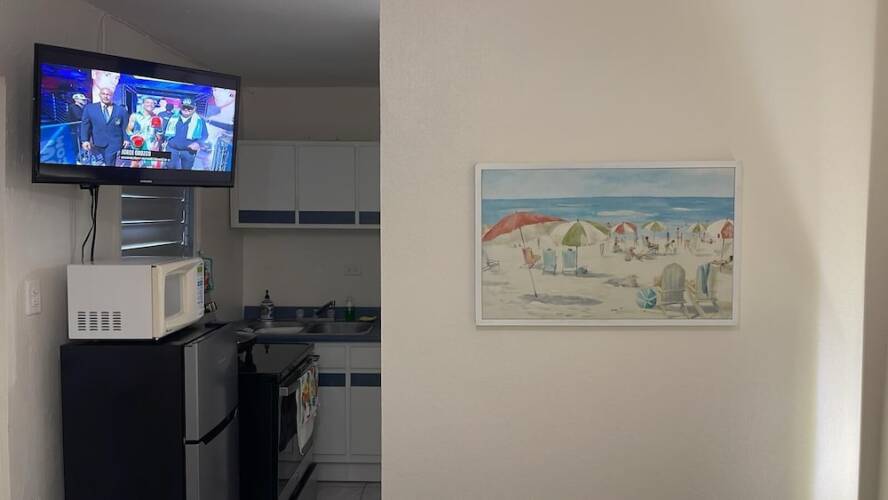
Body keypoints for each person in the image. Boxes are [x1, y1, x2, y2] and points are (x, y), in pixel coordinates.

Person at [80, 87, 129, 166]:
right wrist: (85, 140)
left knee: (109, 161)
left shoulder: (121, 110)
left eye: (108, 94)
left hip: (115, 142)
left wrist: (126, 139)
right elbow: (85, 125)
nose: (106, 96)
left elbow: (125, 126)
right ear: (100, 95)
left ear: (112, 96)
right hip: (97, 142)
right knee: (101, 162)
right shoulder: (90, 108)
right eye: (103, 94)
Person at [163, 98, 208, 170]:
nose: (186, 109)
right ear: (181, 107)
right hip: (172, 149)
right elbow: (165, 130)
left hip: (188, 152)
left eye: (189, 107)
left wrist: (198, 143)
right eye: (184, 107)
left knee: (186, 170)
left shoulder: (200, 120)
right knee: (169, 168)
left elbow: (204, 135)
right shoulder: (172, 117)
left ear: (194, 108)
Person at [126, 97, 163, 168]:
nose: (150, 104)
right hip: (137, 146)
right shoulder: (135, 116)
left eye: (152, 103)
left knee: (150, 169)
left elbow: (159, 137)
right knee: (134, 166)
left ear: (155, 105)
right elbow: (128, 130)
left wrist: (159, 129)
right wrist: (133, 137)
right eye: (147, 102)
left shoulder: (159, 118)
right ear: (143, 104)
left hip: (151, 147)